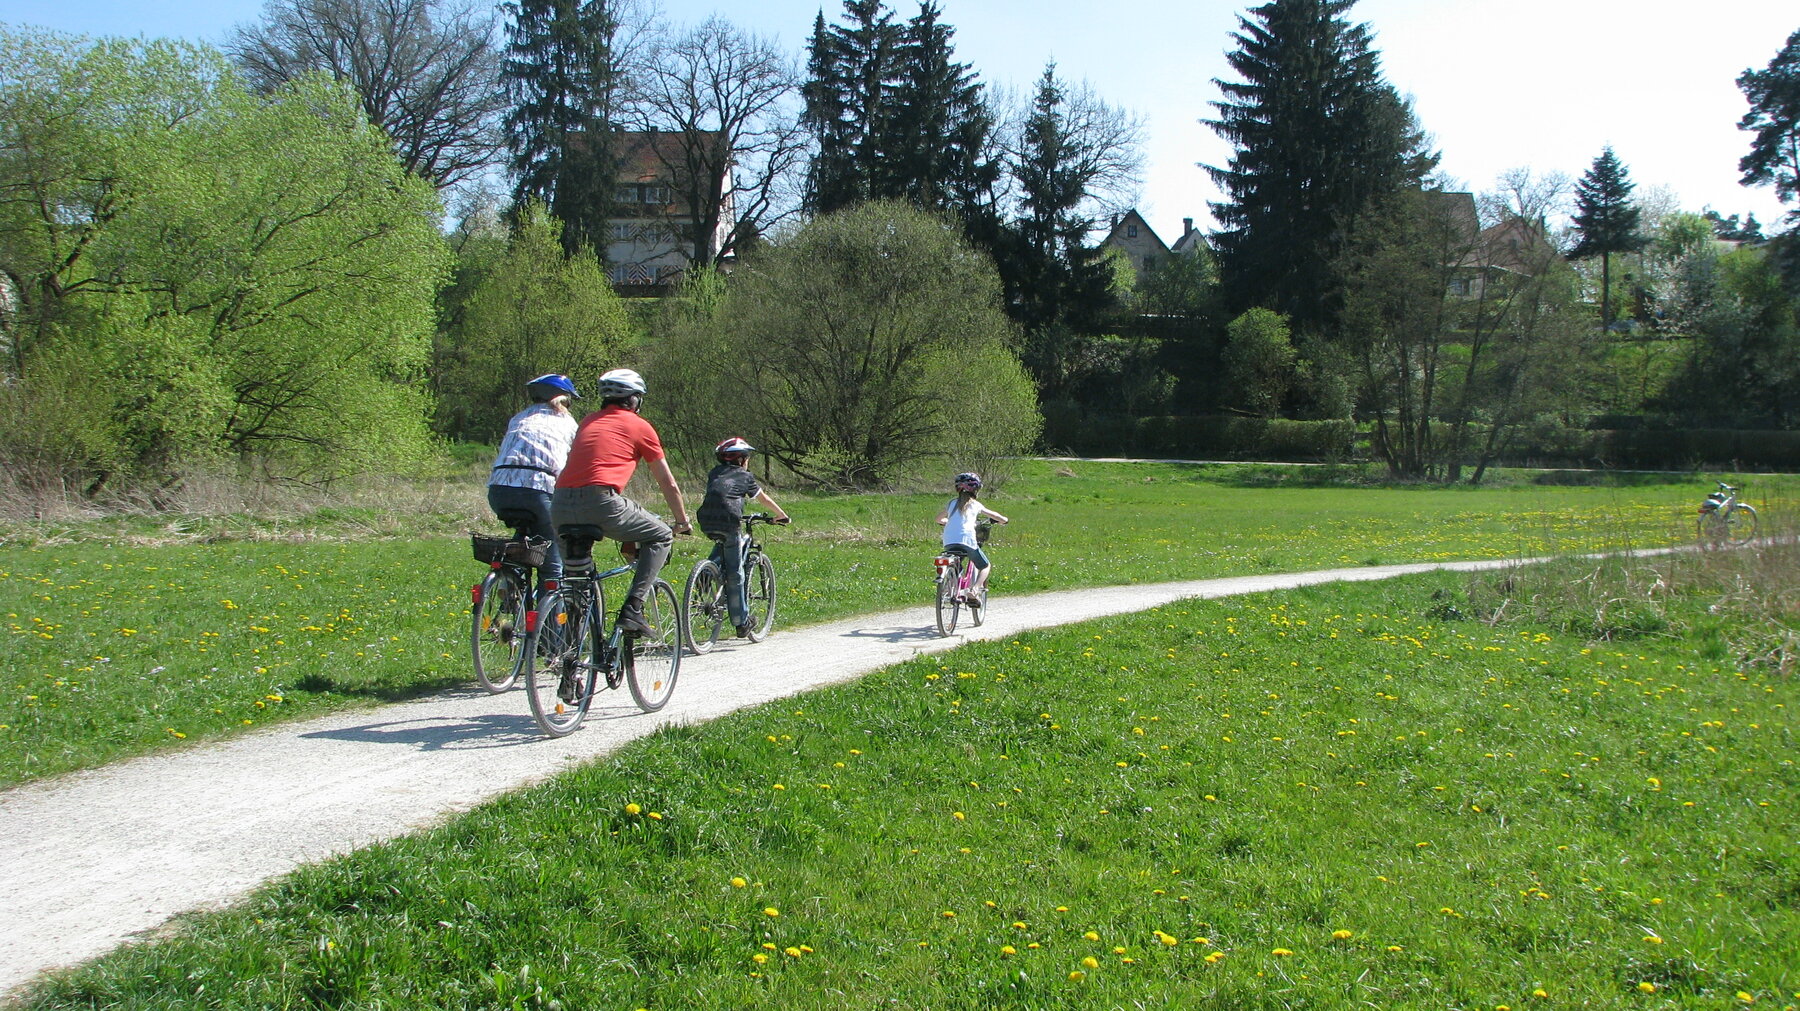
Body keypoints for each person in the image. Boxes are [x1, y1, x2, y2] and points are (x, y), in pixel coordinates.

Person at [551, 368, 692, 634]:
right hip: (600, 501)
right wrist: (682, 521)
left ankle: (570, 657)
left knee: (577, 582)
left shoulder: (588, 421)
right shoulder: (639, 426)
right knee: (661, 535)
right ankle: (633, 610)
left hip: (559, 504)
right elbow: (668, 482)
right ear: (635, 399)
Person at [486, 373, 580, 588]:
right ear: (565, 399)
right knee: (552, 560)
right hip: (537, 489)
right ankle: (550, 620)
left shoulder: (519, 418)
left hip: (498, 490)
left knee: (529, 531)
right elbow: (574, 462)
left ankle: (509, 581)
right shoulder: (567, 422)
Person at [696, 437, 790, 637]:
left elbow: (720, 494)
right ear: (741, 460)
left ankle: (707, 573)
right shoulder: (745, 476)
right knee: (735, 573)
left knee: (724, 544)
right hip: (730, 520)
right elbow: (762, 498)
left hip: (705, 519)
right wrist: (781, 515)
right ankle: (741, 622)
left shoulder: (714, 472)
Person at [935, 471, 1009, 606]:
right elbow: (996, 516)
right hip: (967, 540)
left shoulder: (951, 503)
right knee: (985, 566)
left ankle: (951, 587)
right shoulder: (975, 504)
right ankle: (974, 590)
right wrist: (1004, 520)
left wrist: (948, 522)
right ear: (976, 489)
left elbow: (938, 519)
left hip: (949, 541)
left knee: (957, 563)